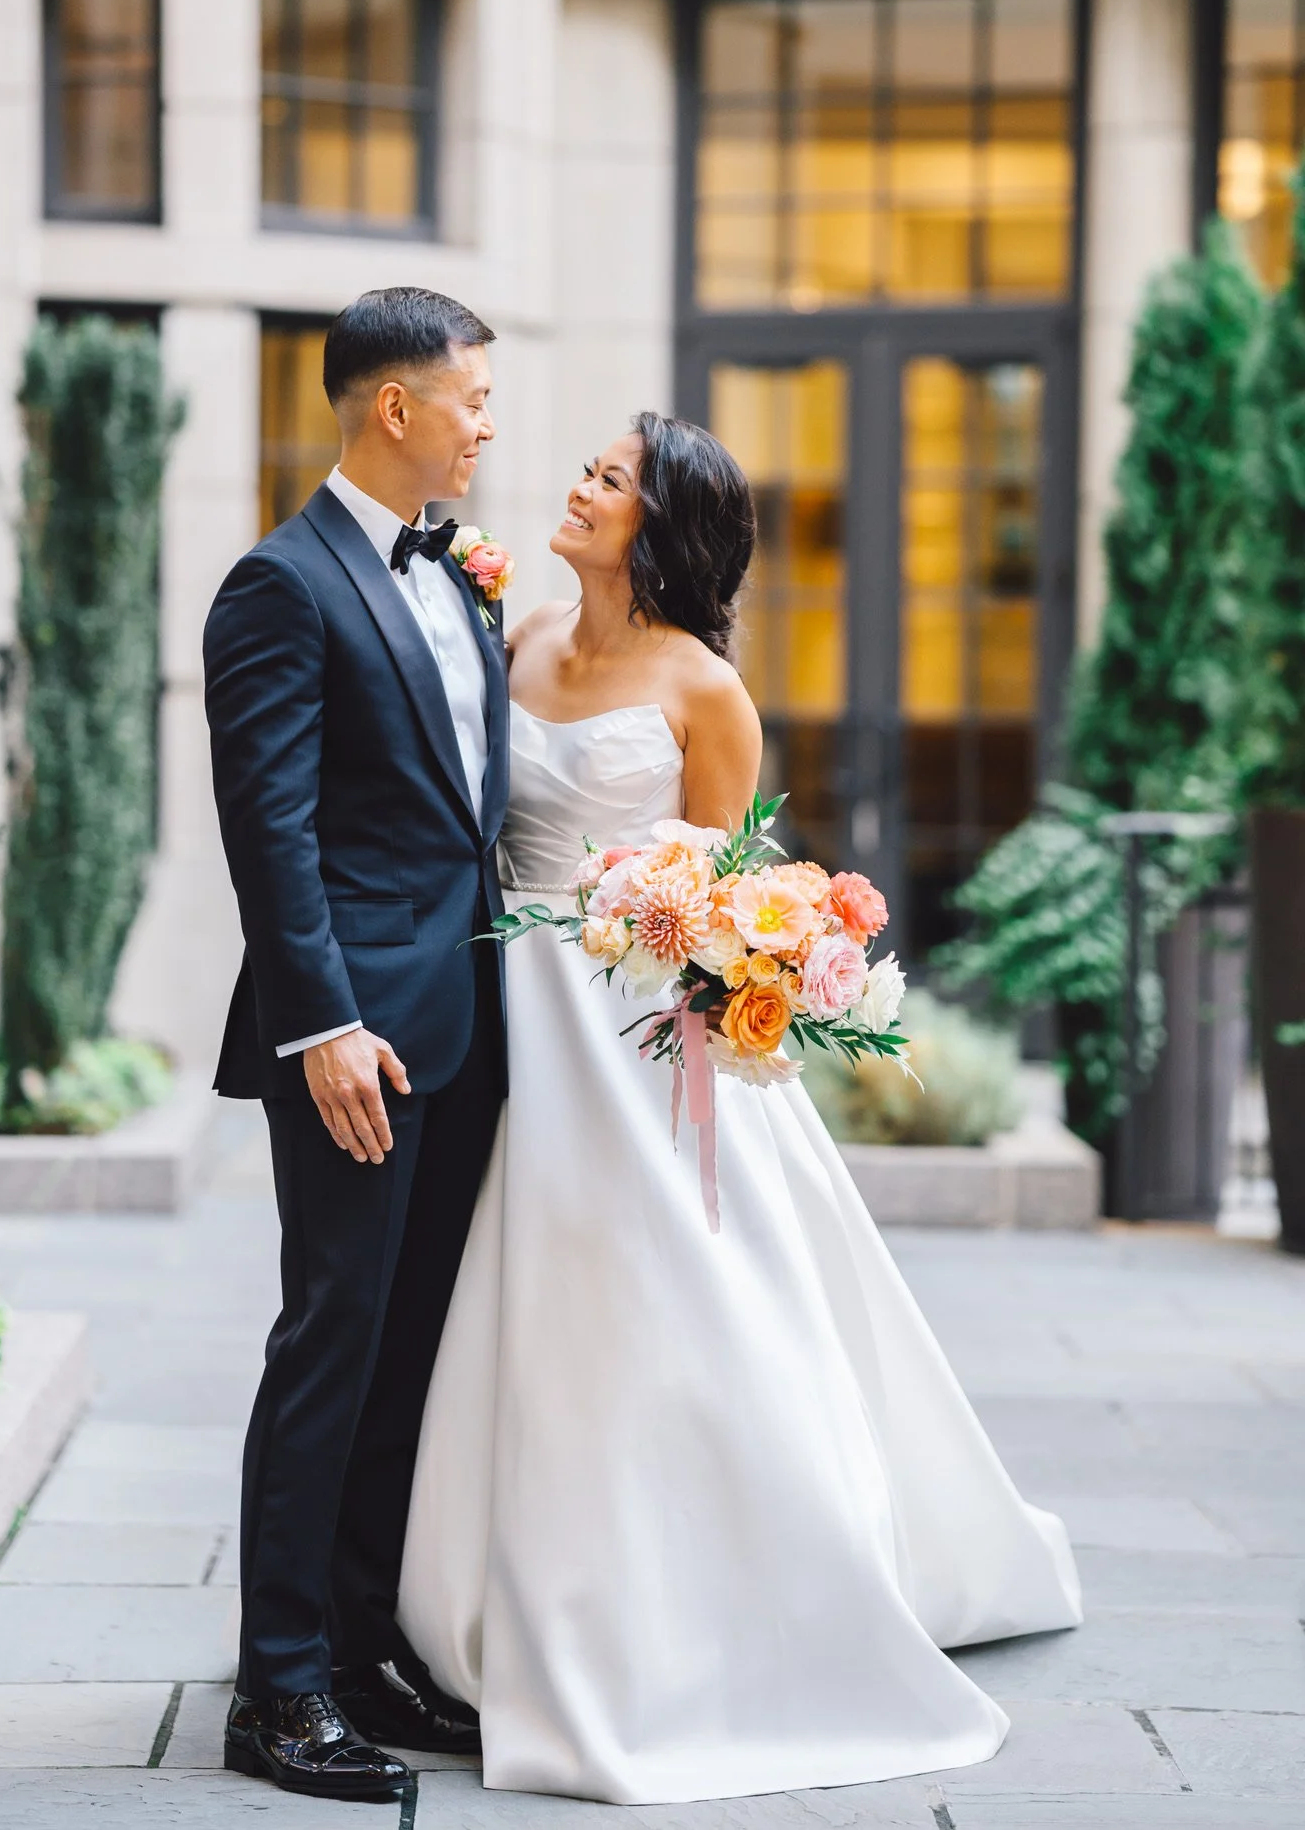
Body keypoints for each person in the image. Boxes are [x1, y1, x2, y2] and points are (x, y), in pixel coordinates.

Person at [399, 413, 1082, 1803]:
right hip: (508, 1015)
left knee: (664, 1297)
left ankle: (728, 1588)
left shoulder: (708, 690)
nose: (579, 486)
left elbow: (723, 895)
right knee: (519, 1296)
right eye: (586, 467)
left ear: (663, 527)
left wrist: (722, 970)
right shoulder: (516, 636)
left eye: (610, 480)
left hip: (636, 1032)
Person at [203, 288, 510, 1801]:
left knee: (409, 1350)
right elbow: (271, 834)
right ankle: (276, 1688)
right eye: (470, 397)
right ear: (394, 405)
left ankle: (365, 1649)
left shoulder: (463, 576)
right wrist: (321, 1019)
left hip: (469, 1029)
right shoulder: (280, 584)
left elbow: (464, 818)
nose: (486, 422)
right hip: (355, 1040)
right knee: (332, 1337)